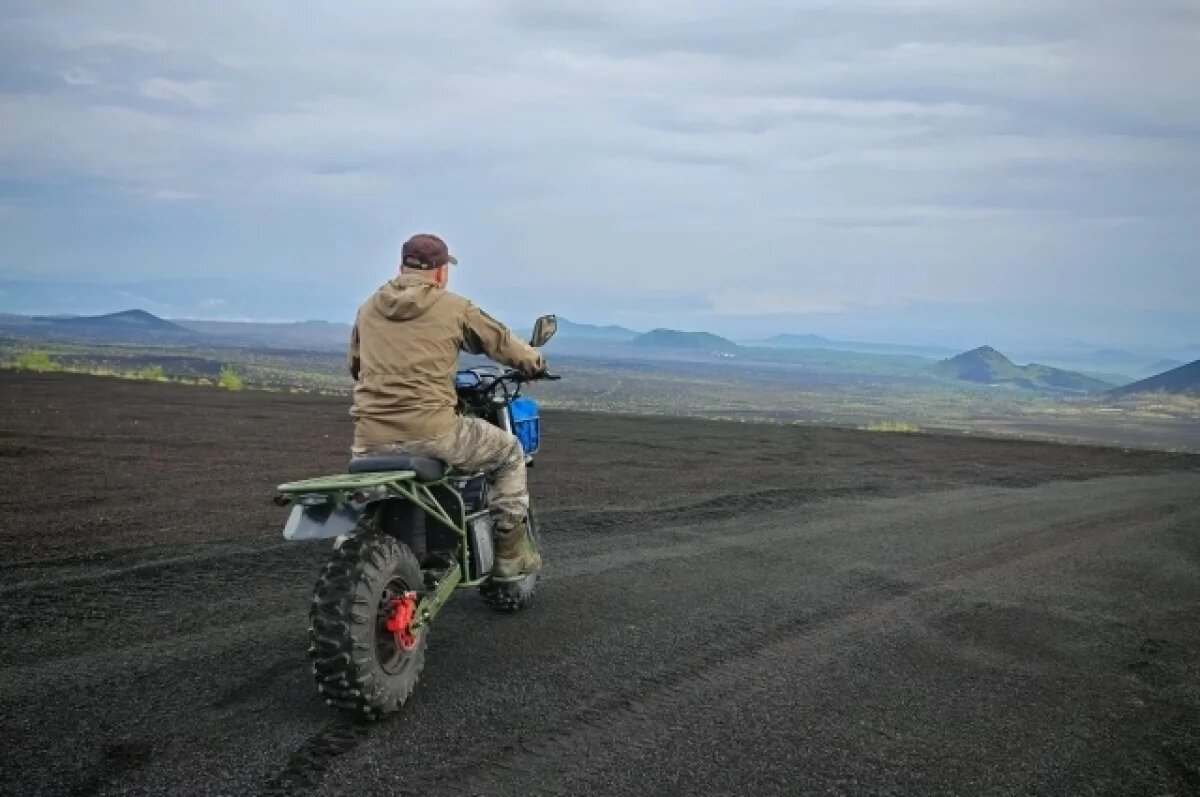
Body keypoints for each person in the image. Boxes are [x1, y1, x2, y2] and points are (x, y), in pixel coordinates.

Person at [347, 233, 546, 579]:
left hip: (370, 438)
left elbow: (355, 366)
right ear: (440, 273)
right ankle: (510, 556)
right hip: (431, 433)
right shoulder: (454, 307)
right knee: (509, 452)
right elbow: (500, 341)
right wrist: (533, 363)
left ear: (401, 267)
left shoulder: (367, 308)